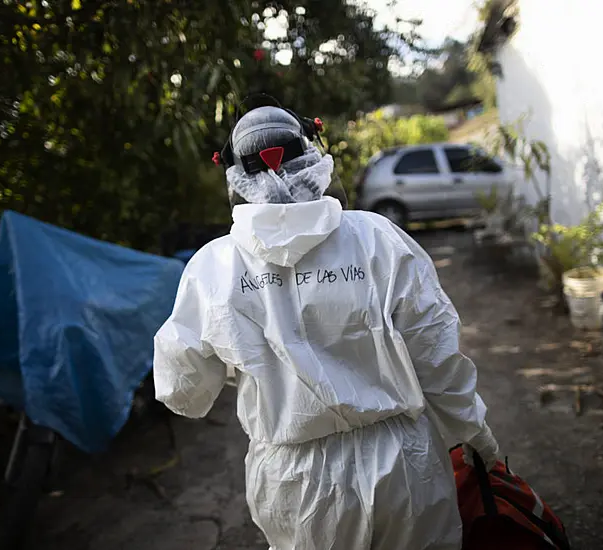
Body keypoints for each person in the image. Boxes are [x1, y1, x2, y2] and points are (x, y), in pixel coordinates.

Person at [152, 103, 500, 550]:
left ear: (236, 175)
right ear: (312, 155)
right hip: (404, 468)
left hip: (297, 487)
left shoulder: (213, 268)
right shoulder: (376, 238)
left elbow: (183, 391)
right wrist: (476, 437)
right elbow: (436, 353)